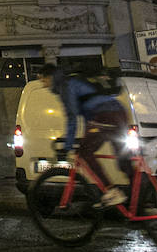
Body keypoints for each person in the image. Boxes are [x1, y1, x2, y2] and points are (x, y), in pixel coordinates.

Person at [40, 63, 132, 207]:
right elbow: (86, 117)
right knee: (124, 162)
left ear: (51, 77)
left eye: (43, 80)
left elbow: (72, 117)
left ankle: (112, 191)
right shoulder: (73, 82)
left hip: (105, 115)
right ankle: (141, 204)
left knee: (84, 152)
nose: (44, 85)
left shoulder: (66, 86)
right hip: (117, 113)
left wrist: (67, 146)